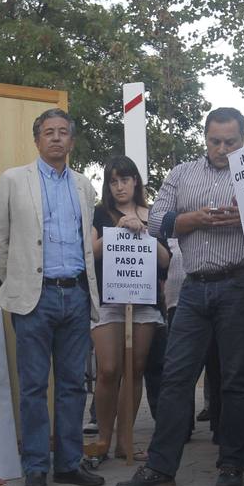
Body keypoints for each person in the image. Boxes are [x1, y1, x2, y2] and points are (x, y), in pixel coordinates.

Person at [116, 107, 244, 486]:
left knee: (236, 378)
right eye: (214, 141)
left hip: (241, 282)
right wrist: (192, 220)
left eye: (230, 142)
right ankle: (160, 468)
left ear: (243, 139)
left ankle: (232, 464)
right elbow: (154, 220)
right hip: (193, 286)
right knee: (175, 376)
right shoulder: (183, 173)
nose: (221, 148)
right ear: (205, 137)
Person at [0, 108, 104, 486]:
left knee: (72, 384)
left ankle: (69, 463)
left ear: (72, 140)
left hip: (75, 294)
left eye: (63, 132)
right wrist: (16, 281)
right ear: (37, 140)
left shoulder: (84, 186)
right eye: (48, 132)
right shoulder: (13, 180)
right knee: (34, 385)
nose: (56, 138)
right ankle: (36, 465)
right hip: (34, 298)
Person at [88, 156, 168, 461]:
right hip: (109, 303)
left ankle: (126, 440)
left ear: (136, 181)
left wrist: (144, 232)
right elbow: (90, 253)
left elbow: (165, 260)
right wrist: (117, 230)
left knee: (134, 370)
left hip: (144, 302)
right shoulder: (99, 214)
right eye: (113, 181)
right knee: (109, 370)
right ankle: (103, 439)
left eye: (125, 179)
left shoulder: (153, 215)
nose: (120, 186)